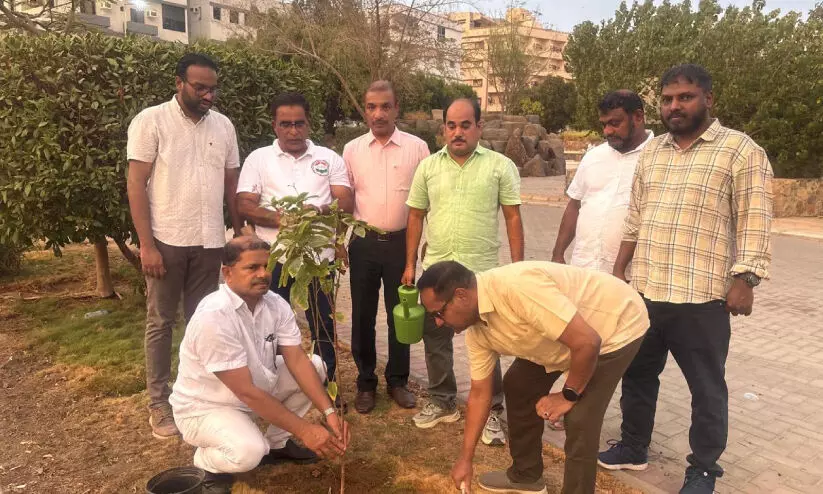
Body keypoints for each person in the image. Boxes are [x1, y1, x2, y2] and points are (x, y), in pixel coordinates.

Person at [599, 64, 773, 494]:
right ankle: (634, 447)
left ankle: (703, 470)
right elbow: (636, 219)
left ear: (708, 99)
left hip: (703, 298)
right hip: (647, 291)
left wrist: (746, 278)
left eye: (684, 97)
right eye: (667, 99)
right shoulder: (653, 152)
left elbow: (755, 220)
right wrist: (620, 271)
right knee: (638, 376)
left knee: (707, 391)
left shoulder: (740, 151)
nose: (674, 106)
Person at [417, 260, 648, 494]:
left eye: (438, 312)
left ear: (461, 296)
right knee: (519, 385)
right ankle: (526, 476)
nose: (437, 321)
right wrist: (465, 459)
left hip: (614, 326)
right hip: (567, 338)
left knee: (579, 416)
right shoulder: (477, 332)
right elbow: (479, 394)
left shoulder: (517, 289)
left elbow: (588, 342)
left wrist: (568, 395)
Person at [170, 237, 350, 494]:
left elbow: (297, 360)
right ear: (227, 273)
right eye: (252, 268)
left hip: (252, 390)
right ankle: (207, 463)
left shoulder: (275, 304)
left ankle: (278, 443)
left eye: (267, 266)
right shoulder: (214, 316)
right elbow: (245, 391)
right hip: (206, 407)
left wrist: (329, 413)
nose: (263, 274)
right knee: (250, 452)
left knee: (316, 366)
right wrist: (304, 430)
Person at [127, 53, 243, 440]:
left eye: (213, 87)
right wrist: (146, 245)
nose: (208, 94)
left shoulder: (224, 127)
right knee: (161, 322)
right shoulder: (151, 121)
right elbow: (136, 184)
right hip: (167, 239)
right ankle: (159, 402)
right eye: (200, 87)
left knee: (202, 322)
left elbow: (232, 187)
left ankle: (196, 395)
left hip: (210, 240)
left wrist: (238, 234)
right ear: (179, 83)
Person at [402, 98, 524, 446]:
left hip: (480, 275)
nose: (457, 132)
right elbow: (415, 216)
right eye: (451, 126)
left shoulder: (500, 166)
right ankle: (442, 401)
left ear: (479, 127)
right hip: (436, 272)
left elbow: (512, 216)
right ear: (444, 129)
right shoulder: (427, 167)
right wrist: (410, 263)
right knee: (436, 340)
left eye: (465, 125)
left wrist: (519, 268)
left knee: (488, 343)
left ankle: (493, 413)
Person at [236, 92, 353, 388]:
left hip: (319, 258)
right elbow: (244, 204)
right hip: (274, 260)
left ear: (308, 124)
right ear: (274, 125)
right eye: (285, 124)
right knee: (269, 324)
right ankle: (272, 385)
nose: (293, 131)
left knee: (323, 323)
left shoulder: (328, 158)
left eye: (299, 123)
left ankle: (328, 384)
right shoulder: (258, 159)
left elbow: (346, 203)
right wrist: (281, 219)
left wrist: (320, 210)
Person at [342, 81, 430, 414]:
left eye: (385, 106)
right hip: (363, 243)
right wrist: (339, 242)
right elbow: (346, 199)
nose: (378, 114)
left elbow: (426, 201)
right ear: (364, 109)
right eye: (371, 107)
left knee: (401, 315)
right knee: (362, 316)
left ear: (396, 108)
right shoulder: (352, 150)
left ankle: (398, 381)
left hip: (401, 244)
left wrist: (424, 245)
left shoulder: (417, 148)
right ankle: (366, 383)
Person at [552, 90, 654, 273]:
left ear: (638, 117)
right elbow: (575, 205)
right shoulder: (593, 156)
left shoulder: (657, 157)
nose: (607, 131)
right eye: (604, 124)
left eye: (615, 123)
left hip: (630, 277)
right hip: (583, 270)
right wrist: (558, 254)